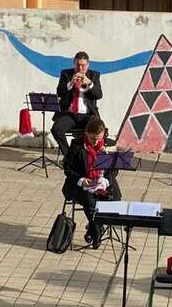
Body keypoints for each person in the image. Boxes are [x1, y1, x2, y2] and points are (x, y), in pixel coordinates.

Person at [62, 116, 121, 248]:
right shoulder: (77, 146)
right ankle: (97, 233)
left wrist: (104, 178)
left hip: (102, 182)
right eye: (93, 139)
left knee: (113, 197)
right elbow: (67, 168)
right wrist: (81, 180)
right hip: (81, 185)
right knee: (90, 202)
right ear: (86, 134)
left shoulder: (108, 145)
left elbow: (114, 170)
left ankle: (94, 228)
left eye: (99, 138)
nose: (96, 142)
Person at [51, 52, 103, 156]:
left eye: (83, 65)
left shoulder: (94, 75)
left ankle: (89, 156)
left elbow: (99, 95)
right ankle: (69, 156)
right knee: (56, 129)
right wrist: (71, 83)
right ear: (74, 63)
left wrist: (89, 83)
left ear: (88, 65)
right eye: (78, 65)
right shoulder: (66, 74)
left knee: (98, 129)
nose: (80, 68)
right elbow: (59, 92)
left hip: (88, 115)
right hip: (69, 114)